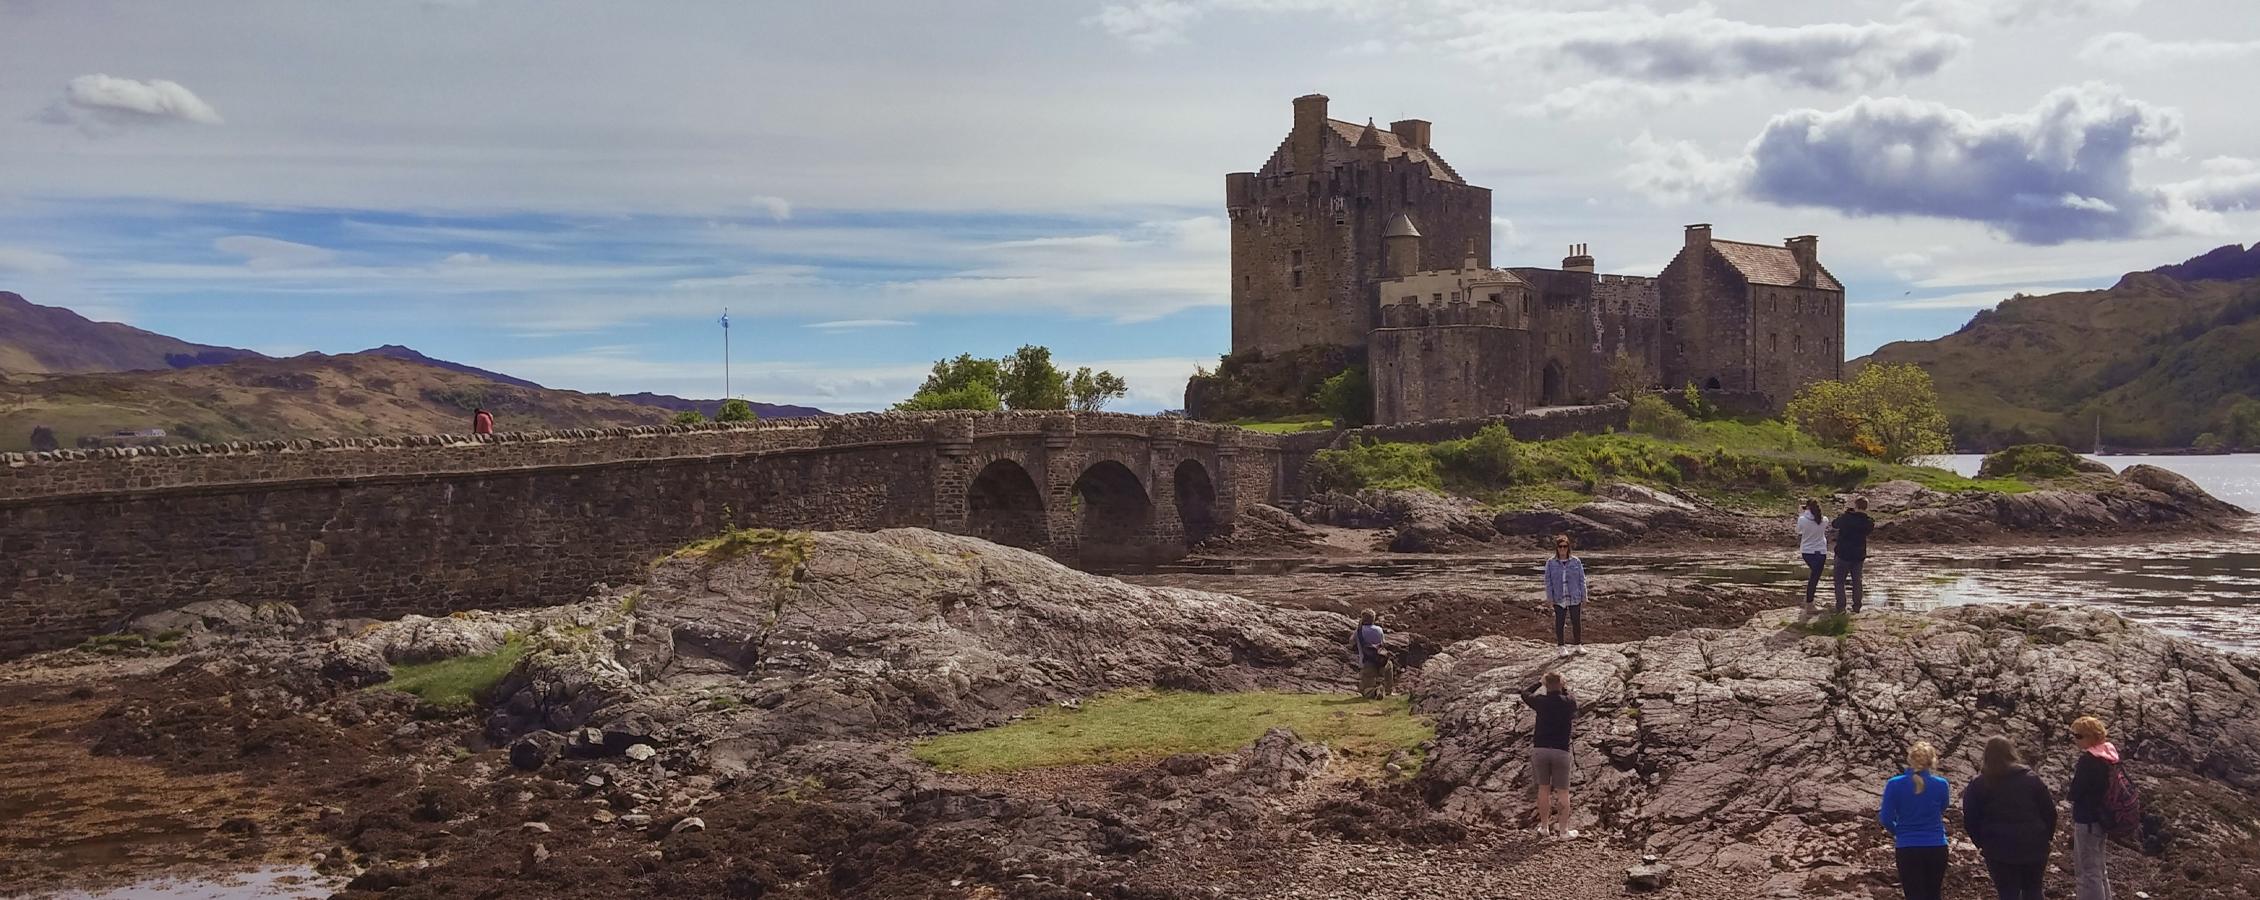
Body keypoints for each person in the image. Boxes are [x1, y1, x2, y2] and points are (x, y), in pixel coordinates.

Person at [1962, 736, 2057, 900]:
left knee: (2007, 893)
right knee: (2033, 890)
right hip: (2034, 844)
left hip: (1998, 848)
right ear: (2011, 753)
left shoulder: (1979, 784)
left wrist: (1982, 844)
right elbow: (2049, 812)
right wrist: (2046, 837)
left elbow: (1971, 819)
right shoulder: (2031, 779)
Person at [1879, 740, 1952, 900]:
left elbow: (1885, 818)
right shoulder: (1941, 784)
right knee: (1933, 894)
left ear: (1910, 759)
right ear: (1932, 762)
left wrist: (1898, 832)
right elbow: (1943, 808)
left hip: (1908, 846)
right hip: (1936, 845)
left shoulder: (1894, 784)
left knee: (1914, 895)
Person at [2067, 716, 2118, 900]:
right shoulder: (2109, 756)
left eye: (2078, 736)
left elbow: (2075, 792)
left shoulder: (2088, 761)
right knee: (2100, 869)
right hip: (2103, 819)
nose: (2075, 739)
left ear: (2090, 737)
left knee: (2087, 872)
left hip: (2087, 821)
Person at [1521, 671, 1577, 839]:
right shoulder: (1568, 702)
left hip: (1541, 749)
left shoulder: (1541, 702)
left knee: (1543, 790)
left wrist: (1539, 683)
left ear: (1546, 684)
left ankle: (1544, 827)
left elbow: (1524, 693)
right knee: (1563, 792)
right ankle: (1563, 831)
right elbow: (1572, 700)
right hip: (1561, 751)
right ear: (1561, 684)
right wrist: (1564, 687)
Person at [1544, 533, 1587, 657]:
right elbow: (1548, 581)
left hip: (1574, 596)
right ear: (1557, 548)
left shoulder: (1576, 561)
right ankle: (1561, 646)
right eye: (1560, 546)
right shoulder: (1551, 563)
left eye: (1565, 546)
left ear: (1568, 547)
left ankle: (1578, 645)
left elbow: (1582, 579)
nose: (1562, 549)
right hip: (1559, 597)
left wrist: (1584, 596)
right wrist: (1550, 597)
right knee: (1560, 622)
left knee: (1576, 621)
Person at [1832, 497, 1875, 613]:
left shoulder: (1846, 518)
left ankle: (1841, 607)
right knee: (1857, 581)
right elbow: (1869, 526)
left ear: (1855, 505)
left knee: (1839, 581)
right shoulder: (1868, 522)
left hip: (1843, 553)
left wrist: (1846, 512)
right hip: (1858, 555)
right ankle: (1857, 606)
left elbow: (1834, 524)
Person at [1795, 498, 1829, 610]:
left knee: (1814, 577)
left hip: (1807, 551)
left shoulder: (1802, 519)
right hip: (1821, 551)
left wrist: (1801, 513)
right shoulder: (1824, 520)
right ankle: (1809, 600)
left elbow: (1798, 531)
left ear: (1808, 507)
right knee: (1815, 577)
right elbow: (1817, 519)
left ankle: (1809, 600)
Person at [1351, 610, 1386, 700]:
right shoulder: (1379, 629)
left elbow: (1351, 641)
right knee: (1380, 678)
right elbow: (1383, 643)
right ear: (1373, 619)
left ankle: (1376, 691)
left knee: (1365, 690)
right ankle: (1383, 689)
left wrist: (1359, 627)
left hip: (1366, 662)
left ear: (1363, 619)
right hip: (1380, 661)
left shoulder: (1359, 631)